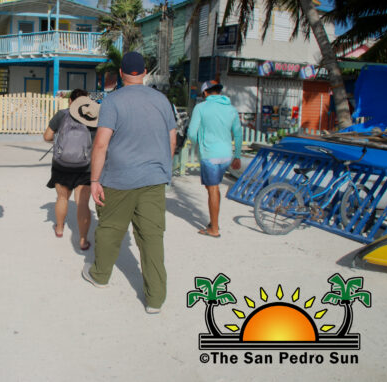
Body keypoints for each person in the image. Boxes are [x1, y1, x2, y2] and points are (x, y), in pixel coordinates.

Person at [82, 52, 177, 314]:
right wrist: (163, 170)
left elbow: (101, 144)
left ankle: (100, 275)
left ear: (121, 74)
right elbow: (171, 140)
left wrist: (94, 180)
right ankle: (155, 299)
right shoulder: (162, 100)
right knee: (152, 237)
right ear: (144, 72)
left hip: (118, 178)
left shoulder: (113, 101)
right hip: (153, 180)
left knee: (110, 229)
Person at [43, 89, 100, 251]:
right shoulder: (94, 117)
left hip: (62, 165)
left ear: (70, 101)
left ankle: (59, 228)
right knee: (83, 203)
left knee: (62, 198)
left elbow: (47, 136)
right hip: (86, 167)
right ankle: (83, 240)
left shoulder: (61, 115)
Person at [187, 79, 243, 238]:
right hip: (226, 155)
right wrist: (237, 155)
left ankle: (214, 229)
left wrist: (200, 143)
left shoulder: (201, 107)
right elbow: (238, 133)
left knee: (212, 189)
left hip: (210, 155)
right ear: (219, 92)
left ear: (205, 93)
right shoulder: (231, 109)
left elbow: (191, 133)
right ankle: (214, 221)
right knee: (214, 188)